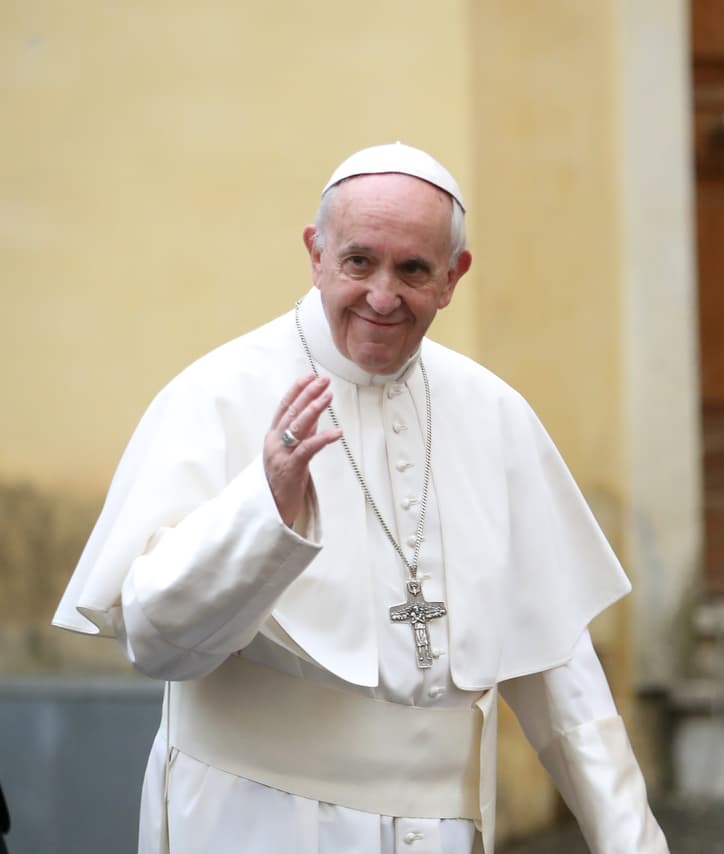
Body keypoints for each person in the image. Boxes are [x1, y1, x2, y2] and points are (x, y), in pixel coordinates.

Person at [53, 142, 669, 854]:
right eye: (358, 261)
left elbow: (558, 669)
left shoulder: (492, 412)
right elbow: (156, 643)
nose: (383, 296)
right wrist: (265, 511)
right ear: (316, 253)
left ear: (453, 277)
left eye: (413, 269)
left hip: (438, 832)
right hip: (251, 821)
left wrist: (634, 841)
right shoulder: (214, 395)